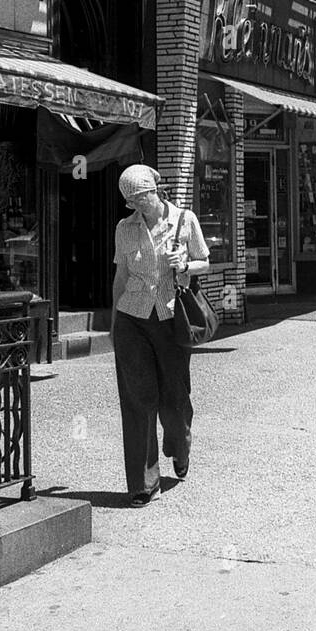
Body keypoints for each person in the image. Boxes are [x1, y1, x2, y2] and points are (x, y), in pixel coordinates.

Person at [111, 164, 209, 506]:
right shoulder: (125, 228)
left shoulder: (185, 220)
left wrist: (183, 265)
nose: (141, 204)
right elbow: (121, 276)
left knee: (174, 399)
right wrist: (113, 322)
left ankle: (180, 442)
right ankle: (142, 483)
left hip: (170, 319)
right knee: (138, 400)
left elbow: (204, 262)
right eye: (134, 201)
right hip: (132, 320)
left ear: (157, 189)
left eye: (144, 196)